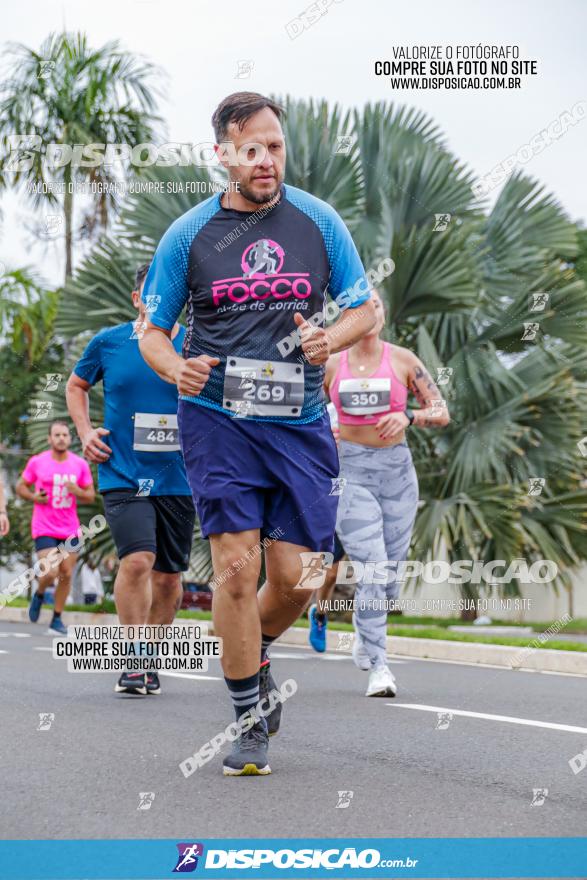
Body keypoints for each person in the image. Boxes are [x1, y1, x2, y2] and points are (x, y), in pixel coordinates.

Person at [139, 91, 376, 775]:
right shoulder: (189, 235)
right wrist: (175, 367)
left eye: (274, 146)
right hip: (218, 422)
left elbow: (366, 307)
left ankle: (256, 652)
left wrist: (328, 338)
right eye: (251, 148)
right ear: (224, 154)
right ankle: (247, 717)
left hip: (300, 424)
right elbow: (151, 332)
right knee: (237, 571)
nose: (266, 159)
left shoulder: (318, 222)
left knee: (305, 576)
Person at [66, 263, 196, 696]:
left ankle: (152, 654)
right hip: (122, 469)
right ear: (137, 299)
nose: (159, 301)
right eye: (151, 294)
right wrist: (85, 433)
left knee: (168, 579)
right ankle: (133, 655)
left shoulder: (195, 343)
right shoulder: (110, 343)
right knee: (137, 560)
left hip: (180, 477)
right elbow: (76, 385)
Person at [325, 289, 450, 696]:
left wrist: (408, 416)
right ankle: (381, 665)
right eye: (363, 306)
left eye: (377, 304)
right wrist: (324, 430)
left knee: (389, 574)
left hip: (397, 473)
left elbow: (441, 410)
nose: (372, 310)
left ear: (383, 314)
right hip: (351, 473)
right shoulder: (330, 363)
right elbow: (304, 412)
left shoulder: (403, 360)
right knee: (373, 565)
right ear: (350, 316)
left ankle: (365, 632)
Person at [17, 420, 95, 635]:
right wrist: (34, 496)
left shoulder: (79, 464)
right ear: (49, 438)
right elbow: (20, 486)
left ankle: (57, 619)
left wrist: (77, 491)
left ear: (70, 439)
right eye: (57, 435)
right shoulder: (37, 462)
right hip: (44, 526)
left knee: (67, 574)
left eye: (65, 435)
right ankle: (40, 593)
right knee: (50, 571)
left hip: (70, 528)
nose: (61, 438)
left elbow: (90, 495)